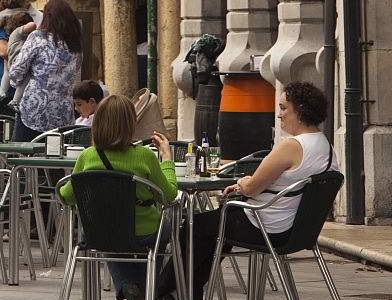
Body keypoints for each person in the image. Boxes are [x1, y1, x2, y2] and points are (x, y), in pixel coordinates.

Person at [158, 81, 335, 300]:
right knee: (213, 231)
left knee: (193, 228)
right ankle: (182, 292)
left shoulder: (291, 146)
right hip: (297, 230)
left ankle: (163, 292)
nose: (279, 114)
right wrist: (248, 184)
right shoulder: (325, 145)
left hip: (267, 226)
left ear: (300, 110)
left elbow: (251, 188)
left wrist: (243, 182)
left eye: (283, 108)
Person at [60, 95, 176, 300]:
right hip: (143, 231)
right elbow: (169, 195)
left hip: (101, 232)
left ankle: (127, 286)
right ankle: (150, 288)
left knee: (109, 230)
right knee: (165, 228)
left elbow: (66, 196)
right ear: (130, 124)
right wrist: (167, 158)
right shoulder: (145, 156)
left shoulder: (87, 156)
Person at [9, 0, 83, 140]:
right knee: (57, 153)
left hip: (34, 109)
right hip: (63, 114)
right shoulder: (76, 46)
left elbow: (15, 73)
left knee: (21, 151)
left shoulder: (38, 37)